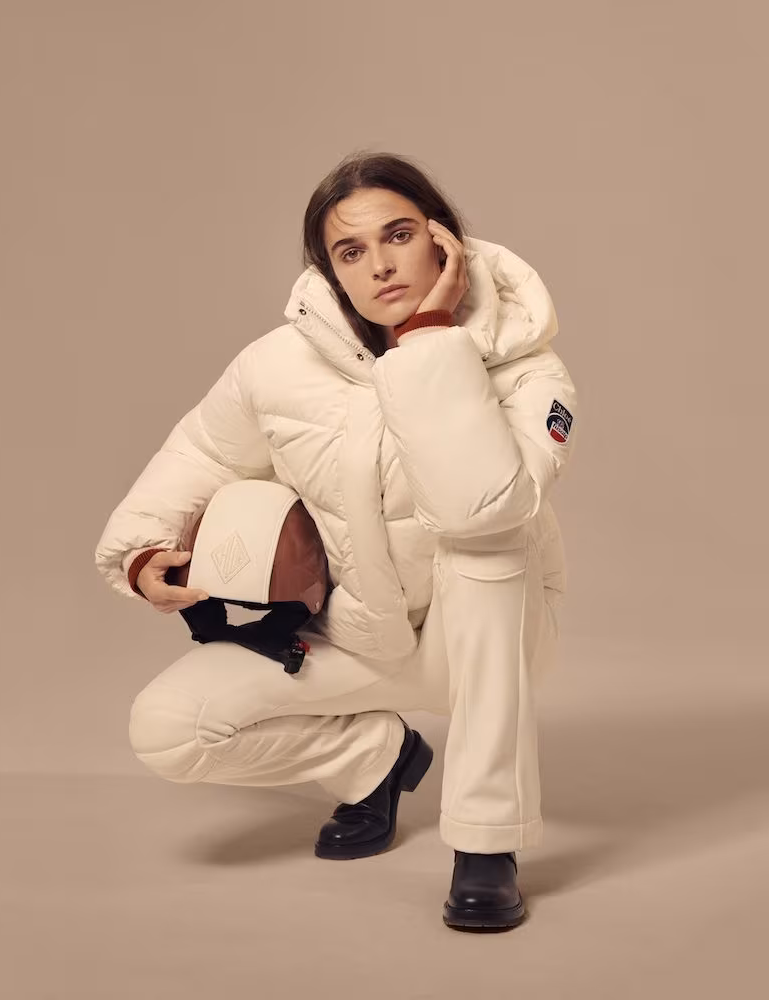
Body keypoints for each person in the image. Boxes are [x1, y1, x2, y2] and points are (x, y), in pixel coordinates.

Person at [94, 150, 580, 932]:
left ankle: (486, 844)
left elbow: (483, 510)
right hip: (357, 633)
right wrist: (144, 552)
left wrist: (429, 338)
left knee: (489, 551)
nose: (380, 265)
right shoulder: (275, 366)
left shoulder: (531, 372)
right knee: (170, 729)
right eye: (351, 251)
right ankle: (373, 760)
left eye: (399, 236)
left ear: (444, 241)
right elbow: (203, 454)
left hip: (490, 639)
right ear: (330, 271)